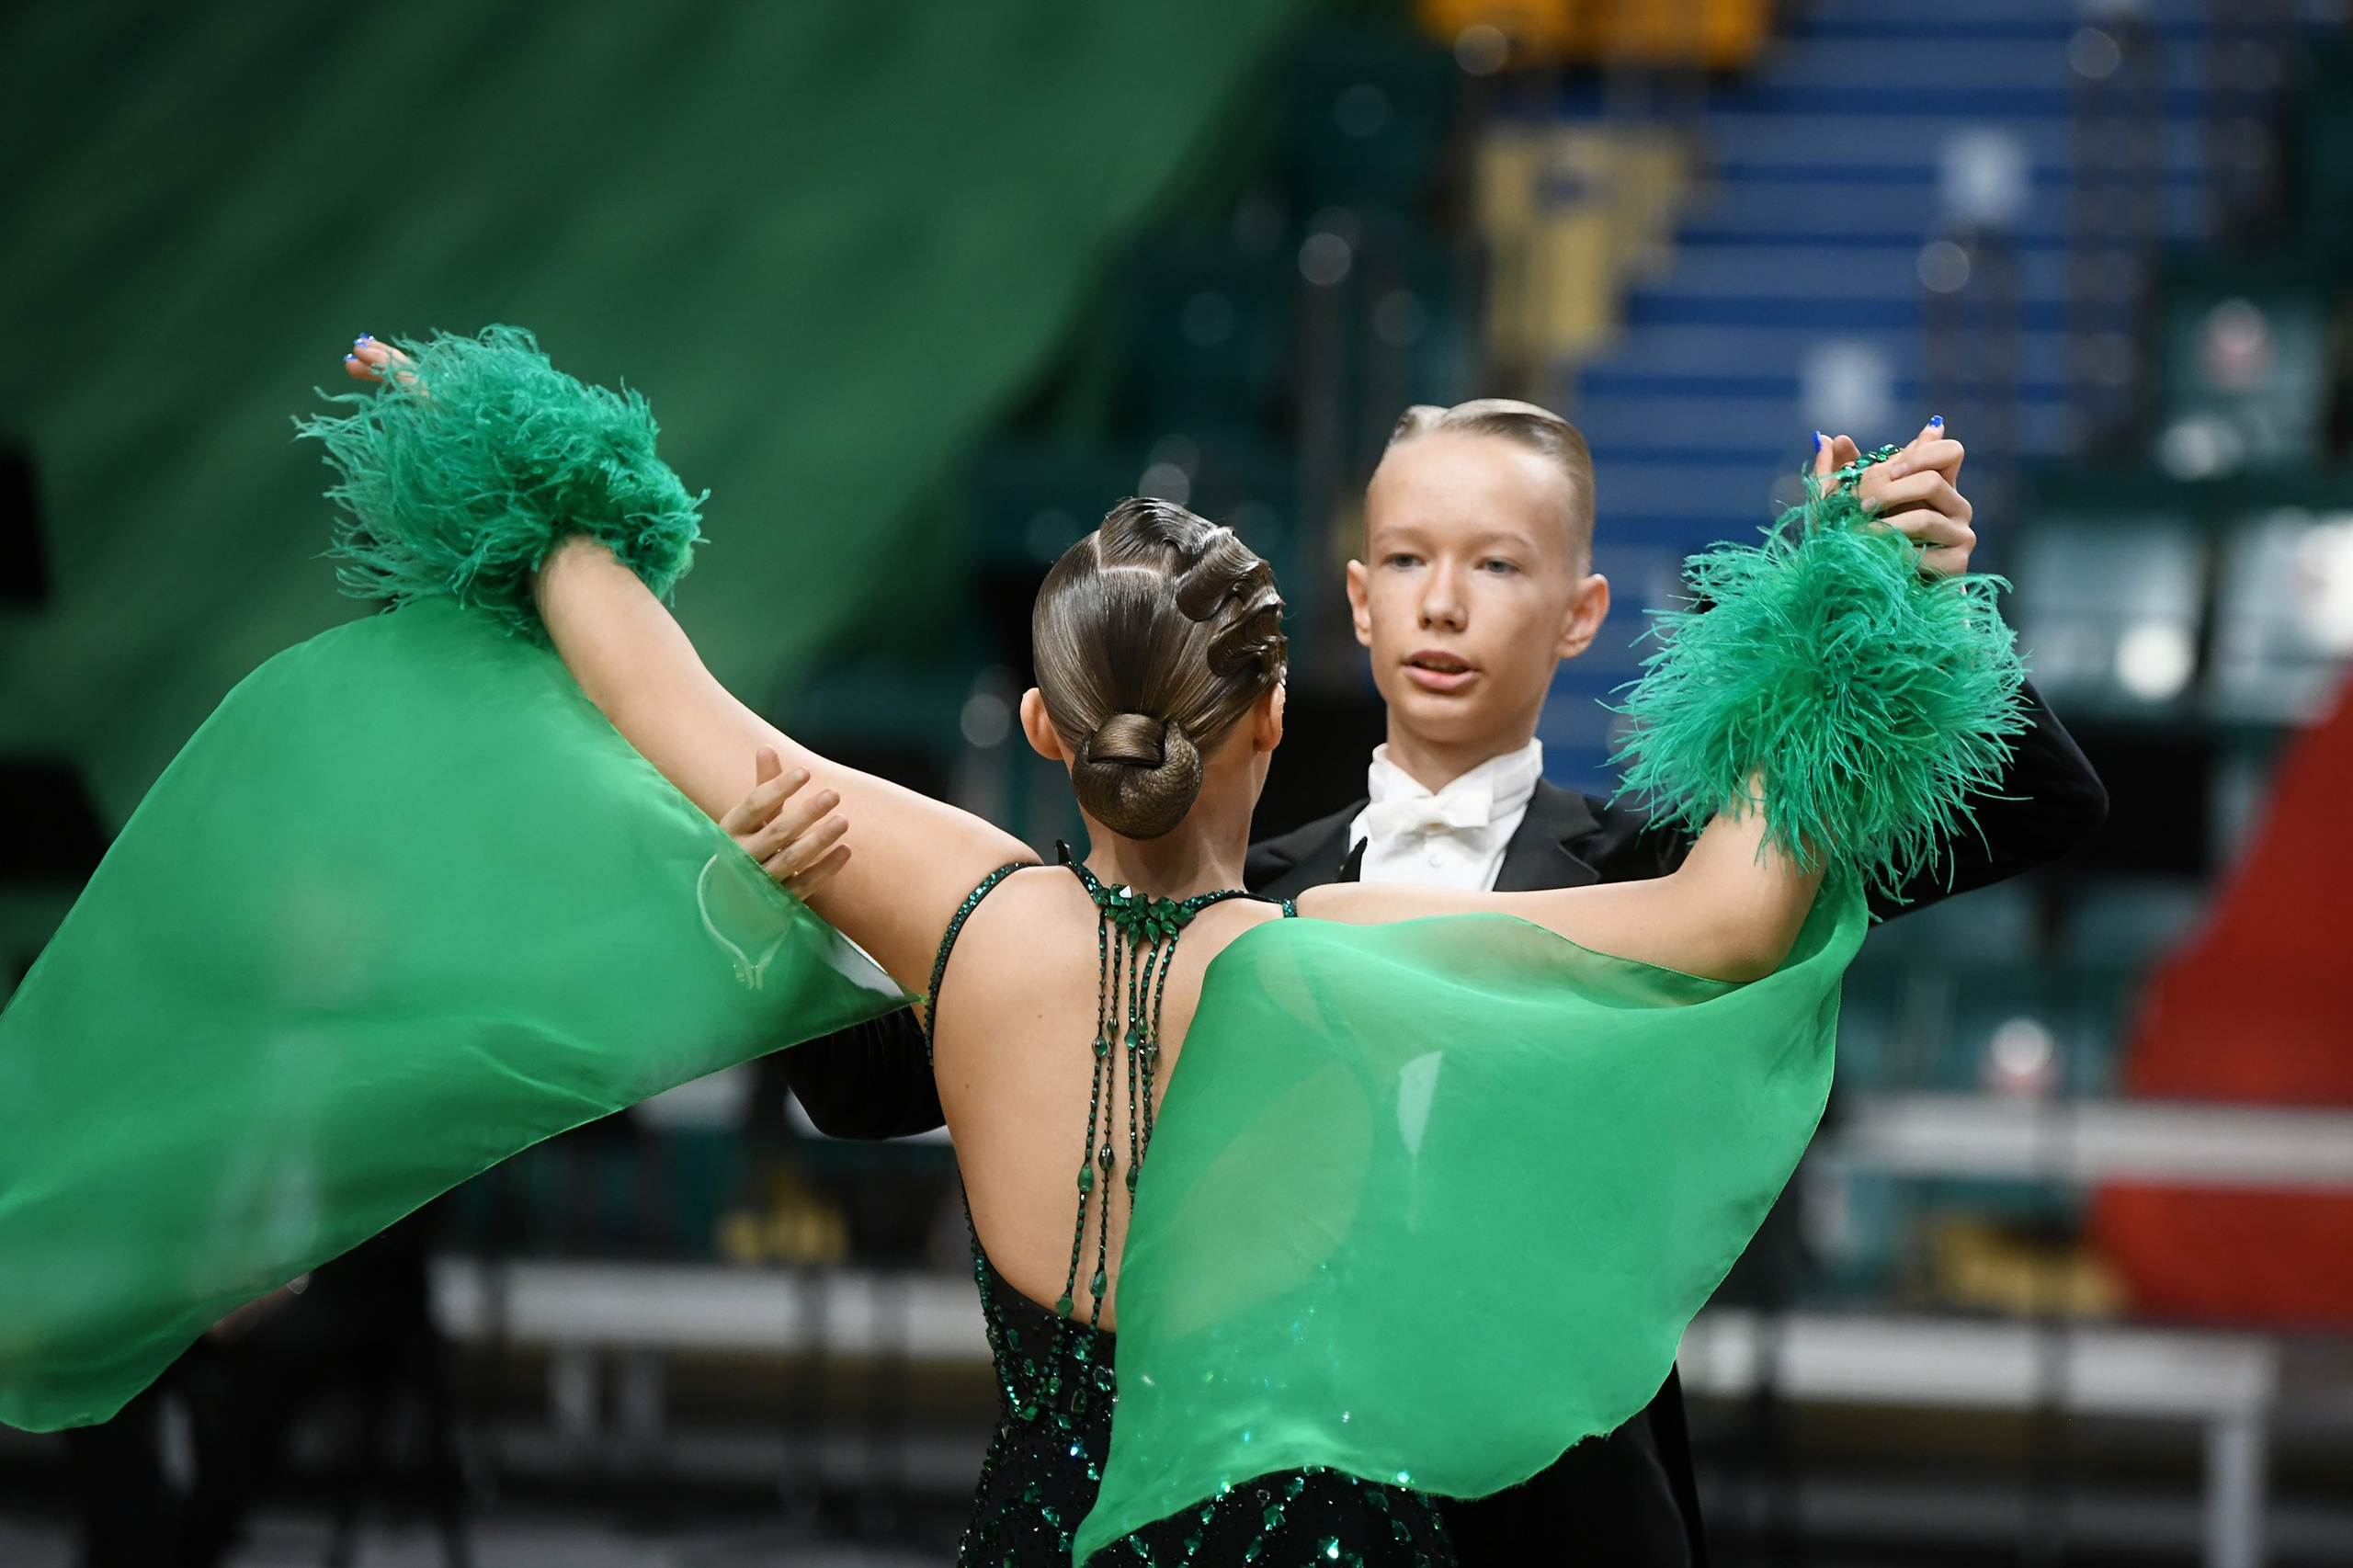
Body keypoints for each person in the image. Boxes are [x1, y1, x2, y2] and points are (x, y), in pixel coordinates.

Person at [0, 328, 2029, 1568]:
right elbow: (1734, 908)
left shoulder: (954, 913)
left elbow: (669, 705)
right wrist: (1845, 585)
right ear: (1268, 724)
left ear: (1047, 730)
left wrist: (523, 481)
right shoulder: (1350, 949)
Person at [780, 400, 2108, 1565]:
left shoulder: (1658, 861)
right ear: (1355, 602)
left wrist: (1894, 594)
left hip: (1565, 1512)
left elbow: (2044, 801)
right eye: (1409, 559)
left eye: (1497, 563)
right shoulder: (1232, 894)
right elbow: (862, 1081)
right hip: (1269, 1518)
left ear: (1583, 609)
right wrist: (795, 893)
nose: (1444, 601)